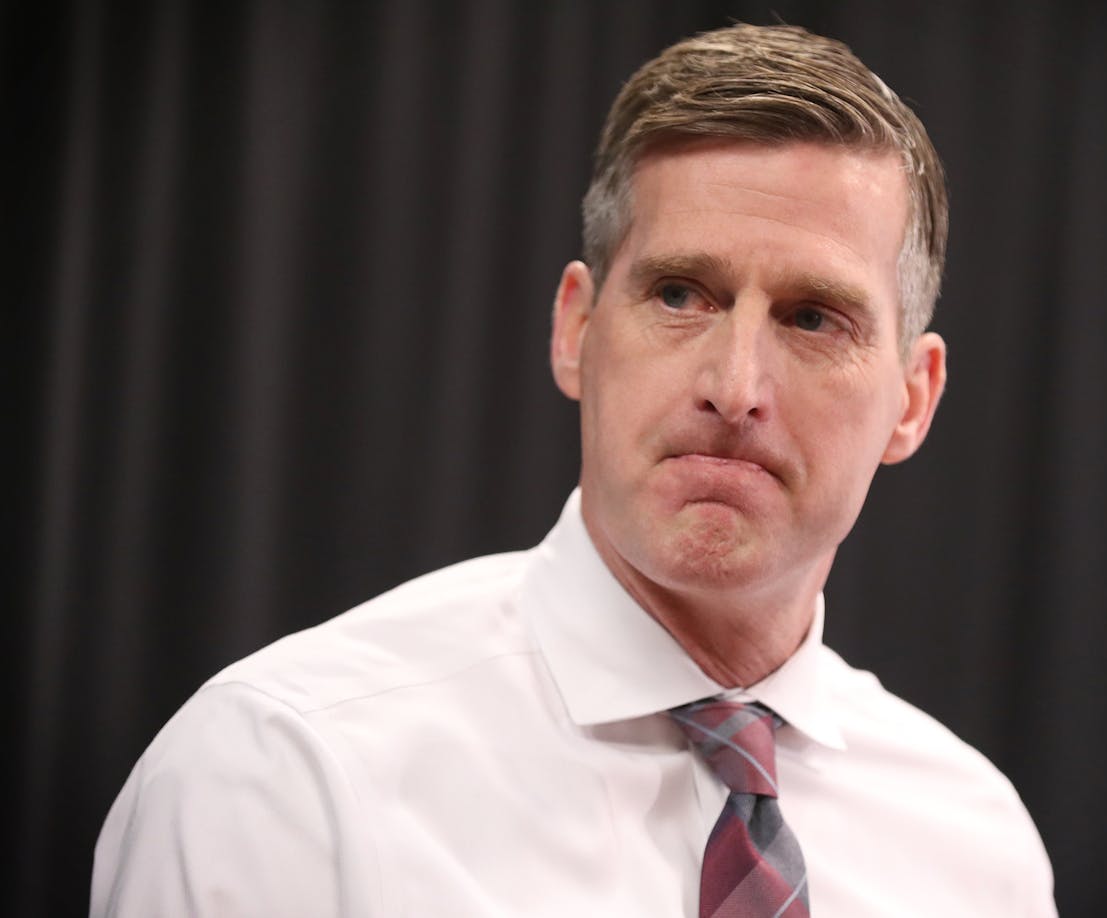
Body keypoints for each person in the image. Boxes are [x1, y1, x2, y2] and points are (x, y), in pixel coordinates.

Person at [92, 23, 1056, 917]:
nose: (735, 385)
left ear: (913, 397)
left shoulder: (979, 849)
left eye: (813, 318)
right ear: (576, 329)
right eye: (680, 294)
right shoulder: (285, 774)